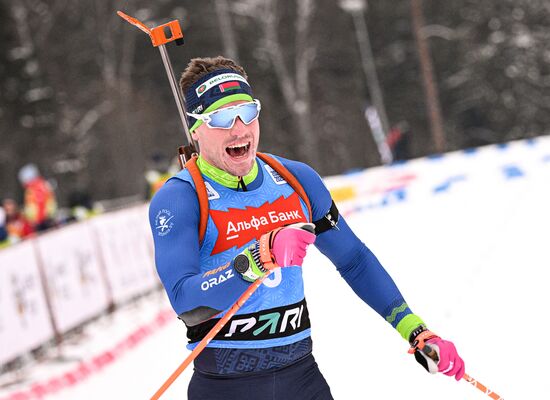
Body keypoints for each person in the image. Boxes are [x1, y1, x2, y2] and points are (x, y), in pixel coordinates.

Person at [149, 56, 464, 400]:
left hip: (301, 380)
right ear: (195, 128)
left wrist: (416, 330)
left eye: (248, 112)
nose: (239, 129)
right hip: (225, 387)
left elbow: (354, 260)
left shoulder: (295, 180)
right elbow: (186, 302)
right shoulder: (180, 198)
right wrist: (256, 257)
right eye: (223, 118)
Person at [18, 164, 57, 232]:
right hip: (38, 221)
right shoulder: (32, 188)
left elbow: (41, 204)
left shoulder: (38, 187)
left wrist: (38, 221)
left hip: (42, 222)